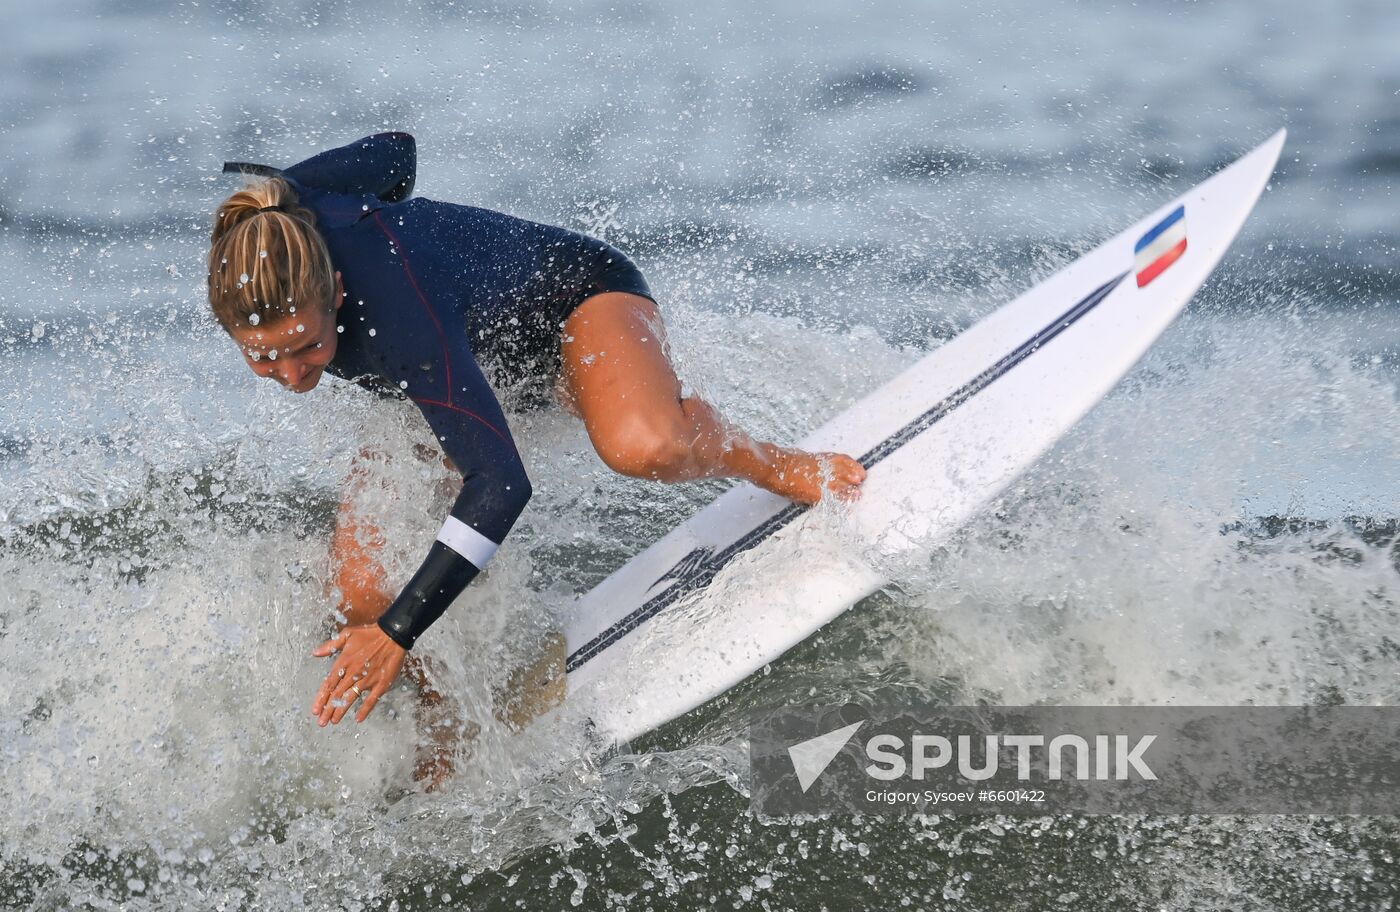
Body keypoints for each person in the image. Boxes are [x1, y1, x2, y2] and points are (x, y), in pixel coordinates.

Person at [207, 132, 866, 785]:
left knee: (645, 446)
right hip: (468, 362)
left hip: (573, 306)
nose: (292, 374)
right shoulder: (284, 227)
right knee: (359, 594)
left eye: (307, 346)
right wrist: (291, 194)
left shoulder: (399, 323)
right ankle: (447, 713)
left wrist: (399, 632)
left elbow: (500, 485)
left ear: (338, 294)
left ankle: (767, 461)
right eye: (263, 355)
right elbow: (395, 153)